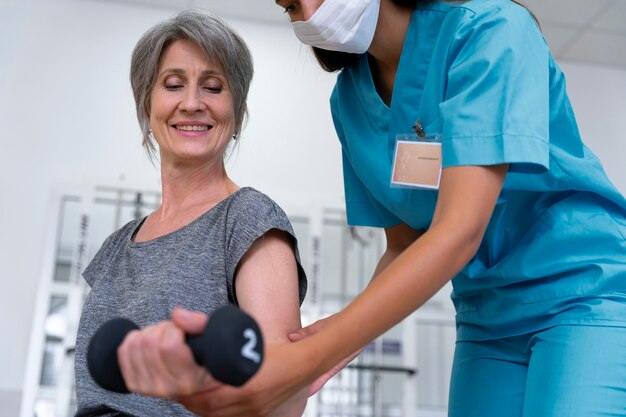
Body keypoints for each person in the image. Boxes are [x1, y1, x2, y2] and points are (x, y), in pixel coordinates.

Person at [158, 0, 626, 416]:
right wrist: (325, 348)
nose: (303, 14)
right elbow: (404, 244)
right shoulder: (350, 100)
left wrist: (302, 362)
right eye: (289, 8)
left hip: (583, 293)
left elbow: (458, 231)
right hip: (486, 315)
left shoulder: (491, 29)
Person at [72, 9, 308, 417]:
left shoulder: (249, 219)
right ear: (147, 107)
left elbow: (283, 401)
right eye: (174, 84)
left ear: (236, 114)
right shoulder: (116, 247)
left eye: (213, 87)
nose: (193, 103)